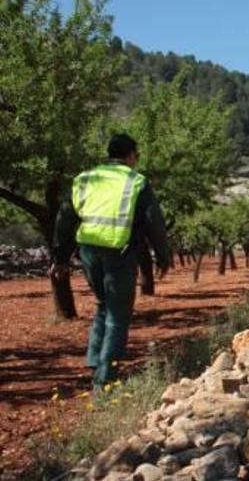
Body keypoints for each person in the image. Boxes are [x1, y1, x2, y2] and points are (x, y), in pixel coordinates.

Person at [50, 134, 171, 391]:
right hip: (119, 251)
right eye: (136, 156)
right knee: (118, 313)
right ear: (130, 156)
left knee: (103, 303)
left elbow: (65, 219)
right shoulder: (137, 181)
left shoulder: (84, 179)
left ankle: (95, 359)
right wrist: (163, 257)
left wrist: (60, 258)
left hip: (89, 251)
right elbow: (154, 224)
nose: (136, 161)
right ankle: (106, 378)